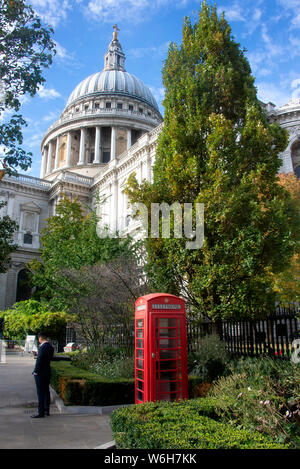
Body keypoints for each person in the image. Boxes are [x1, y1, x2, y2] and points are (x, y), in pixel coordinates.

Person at [31, 331, 54, 418]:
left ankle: (41, 412)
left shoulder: (42, 347)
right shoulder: (50, 347)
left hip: (40, 373)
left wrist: (35, 371)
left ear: (40, 338)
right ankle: (46, 410)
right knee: (46, 391)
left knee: (40, 392)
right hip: (47, 371)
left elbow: (39, 360)